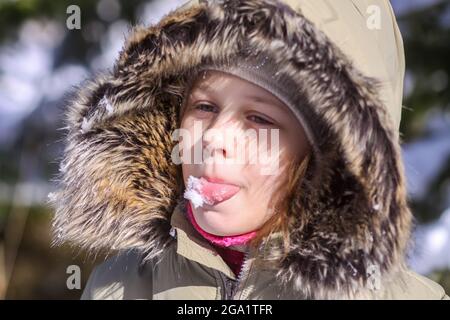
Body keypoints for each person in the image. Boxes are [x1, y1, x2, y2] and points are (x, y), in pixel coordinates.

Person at [50, 0, 449, 299]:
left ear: (329, 159)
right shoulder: (116, 289)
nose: (214, 139)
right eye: (204, 107)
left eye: (260, 119)